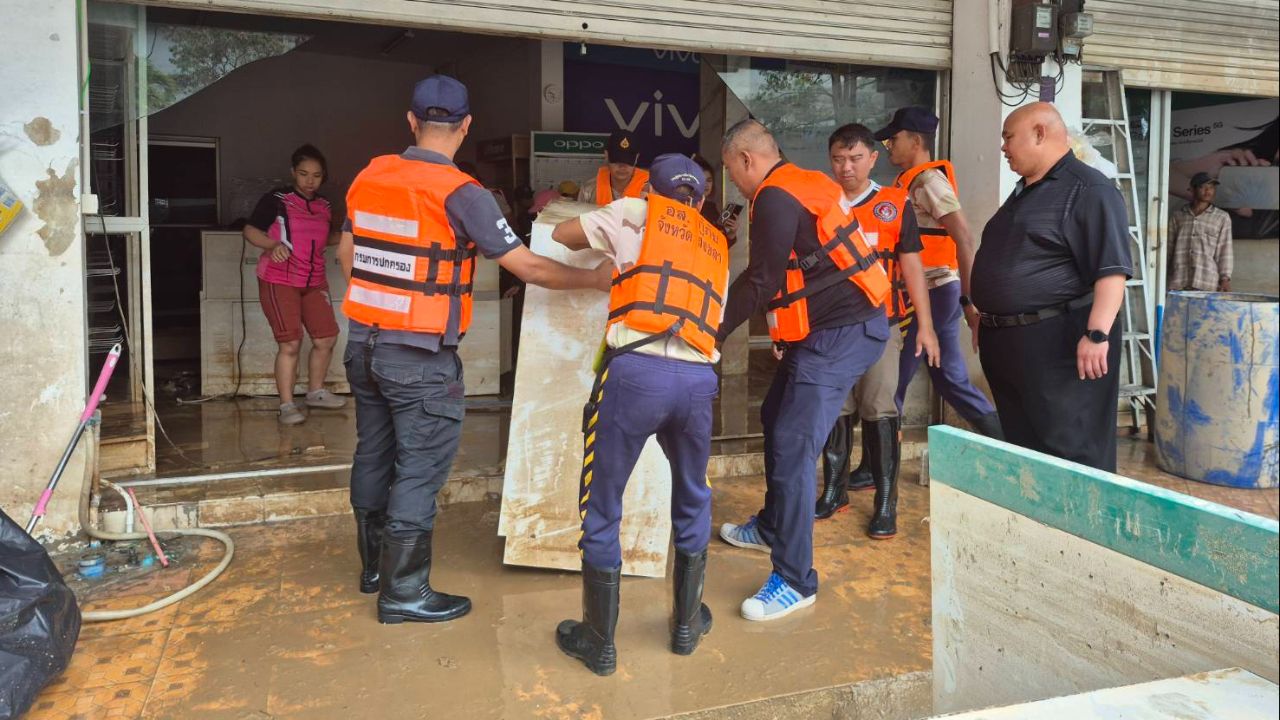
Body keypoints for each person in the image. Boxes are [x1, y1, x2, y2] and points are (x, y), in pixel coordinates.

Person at [338, 75, 612, 625]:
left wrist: (379, 309)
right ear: (466, 126)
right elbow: (528, 267)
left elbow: (348, 251)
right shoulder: (463, 194)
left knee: (373, 452)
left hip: (363, 344)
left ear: (410, 121)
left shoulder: (370, 175)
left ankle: (374, 570)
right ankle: (404, 592)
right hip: (418, 357)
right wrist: (597, 280)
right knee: (419, 469)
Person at [548, 153, 728, 676]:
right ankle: (687, 627)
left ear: (655, 190)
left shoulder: (634, 211)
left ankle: (599, 643)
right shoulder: (715, 241)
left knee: (603, 501)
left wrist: (613, 258)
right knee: (694, 495)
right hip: (697, 382)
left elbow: (564, 237)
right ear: (700, 200)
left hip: (637, 376)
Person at [715, 119, 891, 622]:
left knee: (793, 446)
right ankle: (773, 525)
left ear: (747, 160)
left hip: (843, 333)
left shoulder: (774, 195)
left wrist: (709, 330)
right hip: (823, 331)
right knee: (775, 416)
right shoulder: (801, 180)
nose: (736, 185)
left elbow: (763, 279)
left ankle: (795, 579)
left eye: (733, 173)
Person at [972, 102, 1132, 472]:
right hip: (1012, 344)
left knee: (1069, 449)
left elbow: (1111, 271)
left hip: (1058, 342)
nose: (1003, 147)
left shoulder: (1089, 189)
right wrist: (984, 311)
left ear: (1040, 133)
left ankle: (1079, 527)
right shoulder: (1025, 190)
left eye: (1009, 137)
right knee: (1027, 449)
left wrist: (1096, 333)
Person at [815, 124, 940, 537]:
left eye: (854, 158)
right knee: (836, 408)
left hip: (880, 325)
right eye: (838, 158)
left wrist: (925, 325)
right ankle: (835, 490)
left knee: (880, 408)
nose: (845, 167)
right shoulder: (820, 202)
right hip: (830, 328)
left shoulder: (893, 203)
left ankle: (886, 502)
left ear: (872, 158)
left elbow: (911, 265)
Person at [876, 107, 1003, 440]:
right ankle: (1005, 441)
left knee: (893, 382)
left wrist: (969, 301)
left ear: (916, 141)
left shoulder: (929, 181)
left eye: (894, 138)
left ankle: (877, 470)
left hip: (932, 292)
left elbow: (964, 236)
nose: (889, 145)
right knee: (950, 379)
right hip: (932, 292)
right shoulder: (909, 181)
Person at [242, 144, 347, 425]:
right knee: (290, 343)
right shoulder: (276, 199)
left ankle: (316, 392)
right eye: (303, 174)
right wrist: (272, 244)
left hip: (314, 280)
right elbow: (250, 230)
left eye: (316, 175)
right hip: (280, 279)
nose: (309, 181)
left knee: (326, 338)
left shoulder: (324, 205)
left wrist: (356, 234)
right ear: (293, 173)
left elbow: (325, 239)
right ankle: (287, 405)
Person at [1168, 172, 1233, 292]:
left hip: (1206, 282)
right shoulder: (1178, 216)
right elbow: (1168, 248)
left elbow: (1225, 250)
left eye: (1212, 187)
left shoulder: (1221, 217)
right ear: (1192, 190)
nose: (1208, 190)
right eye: (1203, 187)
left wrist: (1225, 279)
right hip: (1178, 281)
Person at [578, 130, 650, 206]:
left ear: (636, 158)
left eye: (627, 161)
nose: (622, 167)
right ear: (606, 155)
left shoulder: (651, 190)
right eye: (617, 160)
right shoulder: (588, 190)